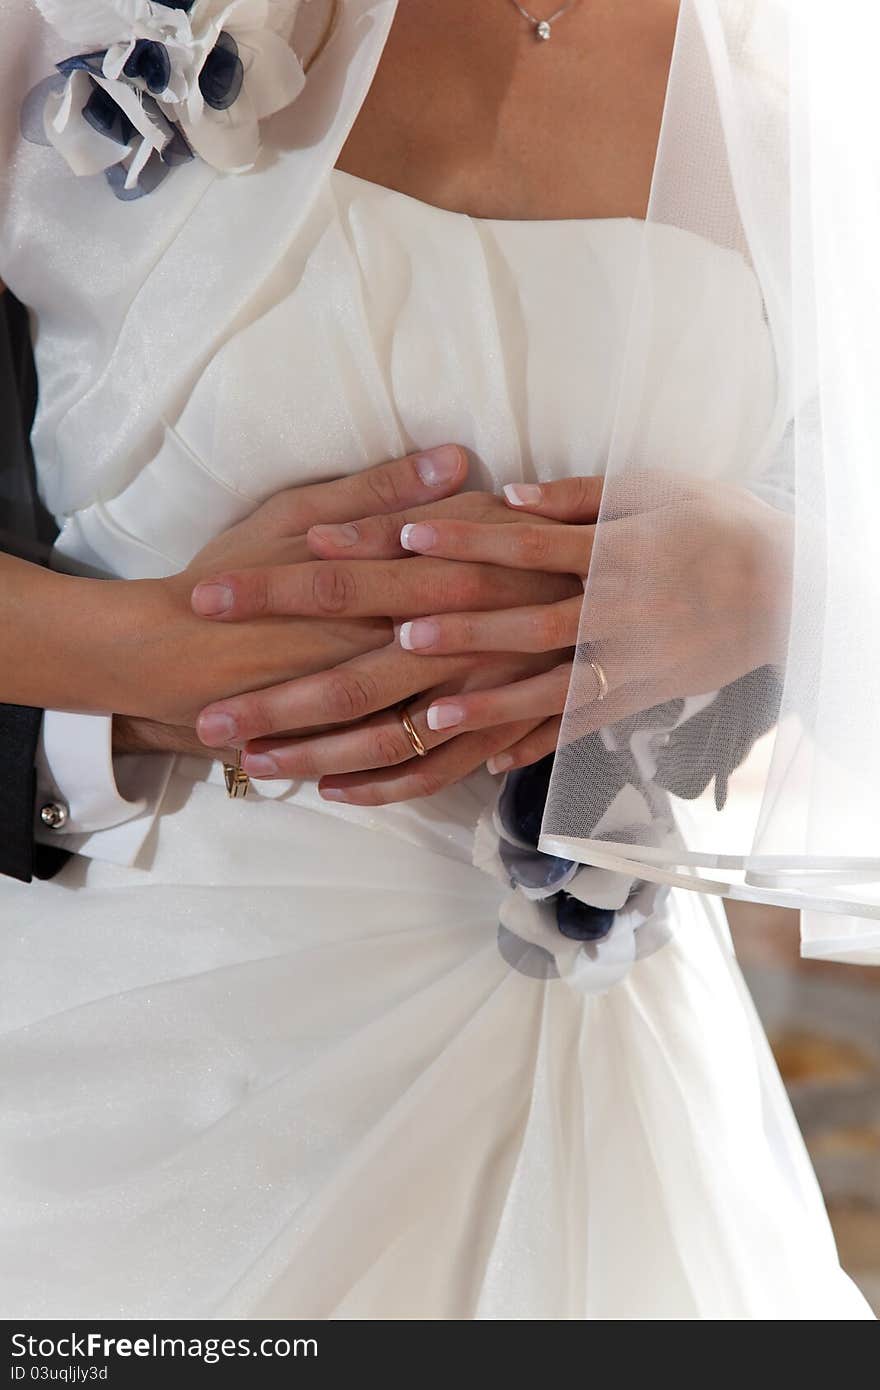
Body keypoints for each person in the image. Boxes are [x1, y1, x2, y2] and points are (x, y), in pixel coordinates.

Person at [0, 0, 873, 1319]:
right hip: (131, 1053)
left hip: (609, 1083)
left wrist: (778, 576)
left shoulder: (795, 90)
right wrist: (141, 653)